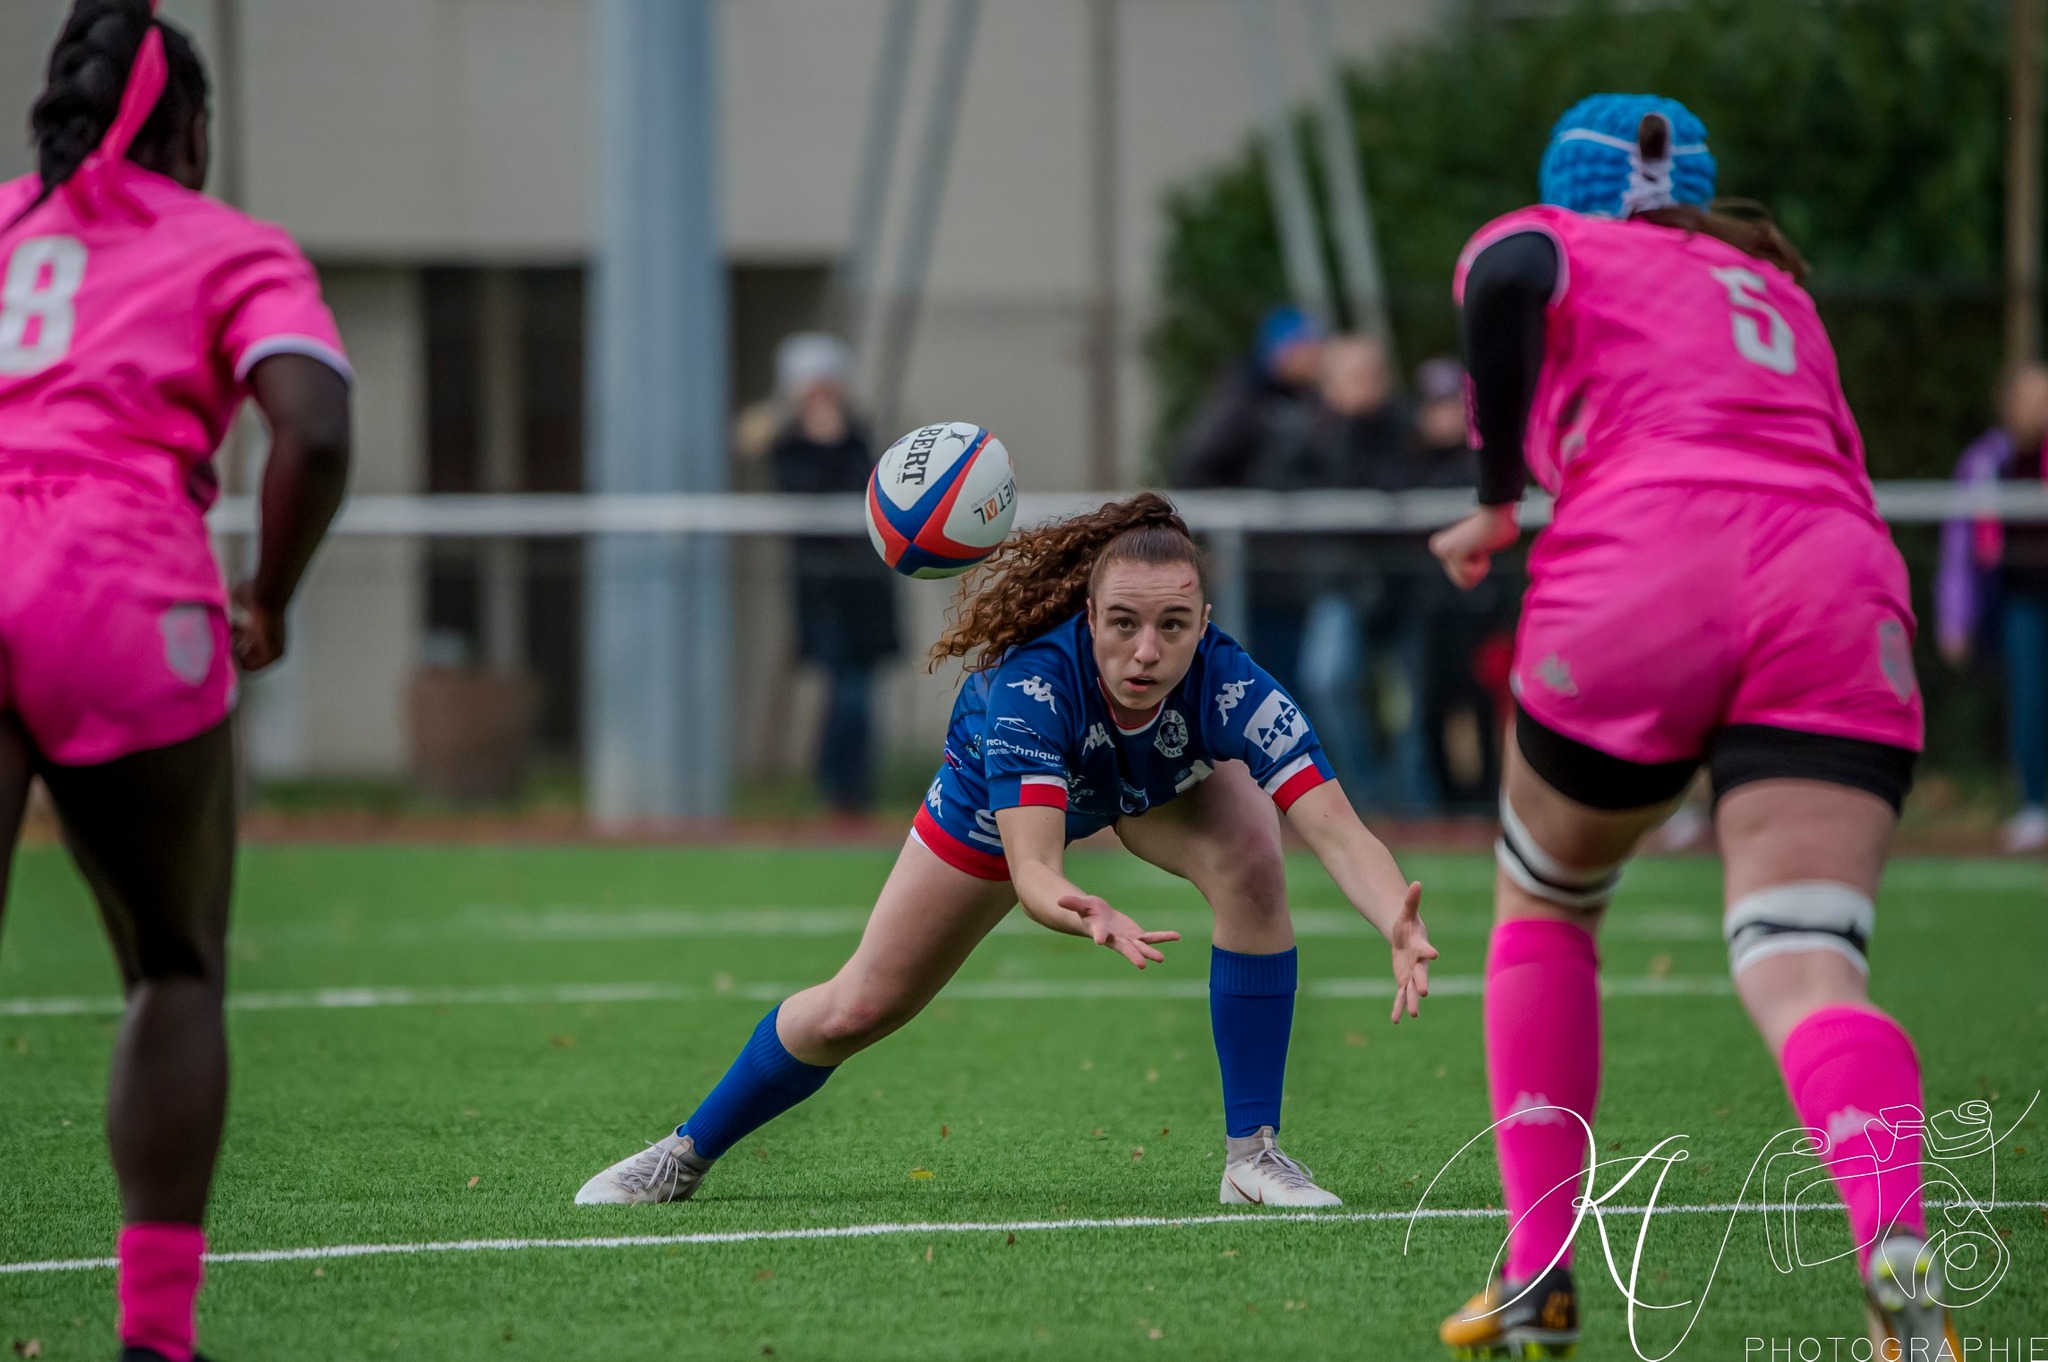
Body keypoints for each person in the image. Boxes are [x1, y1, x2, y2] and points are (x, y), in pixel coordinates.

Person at [1428, 96, 1951, 1357]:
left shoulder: (1558, 242)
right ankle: (1893, 1246)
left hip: (1644, 561)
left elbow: (1503, 269)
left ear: (1568, 187)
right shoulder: (1775, 292)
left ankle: (1537, 1274)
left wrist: (1497, 502)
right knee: (1806, 959)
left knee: (1546, 904)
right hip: (1831, 578)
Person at [576, 494, 1436, 1210]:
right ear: (1088, 615)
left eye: (1173, 626)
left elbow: (1336, 828)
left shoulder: (1234, 683)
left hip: (1153, 785)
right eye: (1124, 623)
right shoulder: (1029, 691)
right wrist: (1077, 903)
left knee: (1255, 854)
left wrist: (1391, 917)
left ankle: (1252, 1156)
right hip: (1002, 806)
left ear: (1203, 622)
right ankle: (685, 1152)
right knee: (858, 1009)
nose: (1147, 650)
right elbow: (1033, 870)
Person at [0, 4, 353, 1360]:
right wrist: (268, 591)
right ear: (188, 130)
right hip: (117, 580)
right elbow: (312, 427)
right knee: (172, 963)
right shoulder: (227, 244)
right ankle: (155, 1336)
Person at [768, 333, 900, 815]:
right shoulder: (788, 447)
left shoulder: (858, 436)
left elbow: (873, 492)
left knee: (860, 695)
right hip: (823, 590)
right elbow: (802, 499)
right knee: (845, 695)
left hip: (867, 588)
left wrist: (839, 438)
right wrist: (821, 441)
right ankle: (841, 794)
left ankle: (853, 794)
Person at [1171, 305, 1327, 694]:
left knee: (1296, 677)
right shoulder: (1242, 400)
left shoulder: (1307, 402)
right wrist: (1212, 546)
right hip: (1255, 570)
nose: (1316, 356)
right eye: (1307, 346)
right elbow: (1194, 471)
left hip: (1295, 572)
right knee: (1262, 676)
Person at [1936, 363, 2048, 853]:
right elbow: (1962, 550)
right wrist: (1956, 618)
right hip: (2022, 599)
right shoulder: (1984, 463)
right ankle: (2034, 806)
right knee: (2030, 703)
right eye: (2033, 398)